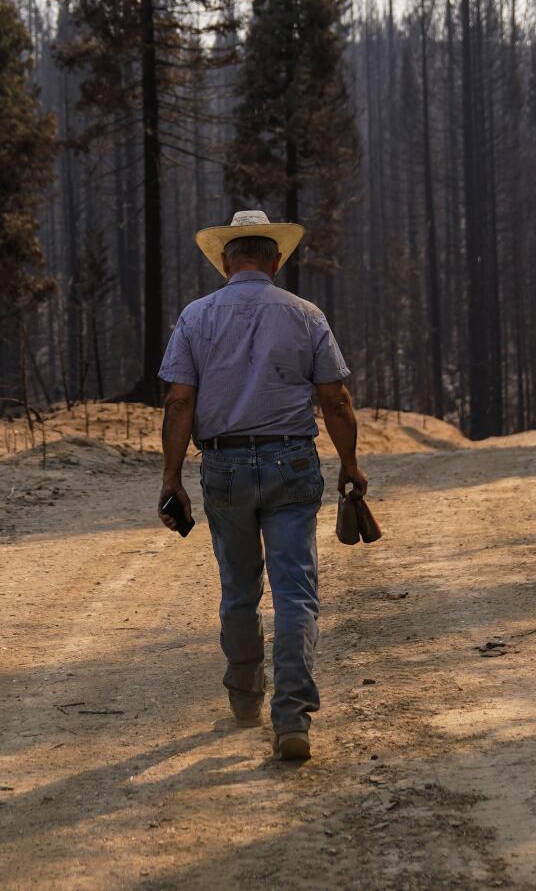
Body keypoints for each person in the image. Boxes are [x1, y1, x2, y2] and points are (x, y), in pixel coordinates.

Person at [158, 209, 366, 762]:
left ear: (226, 261)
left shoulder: (196, 318)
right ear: (275, 260)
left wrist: (172, 476)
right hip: (291, 461)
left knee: (238, 590)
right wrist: (349, 463)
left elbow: (179, 400)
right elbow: (336, 399)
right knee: (296, 591)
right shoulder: (304, 315)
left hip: (224, 467)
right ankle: (292, 715)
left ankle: (246, 697)